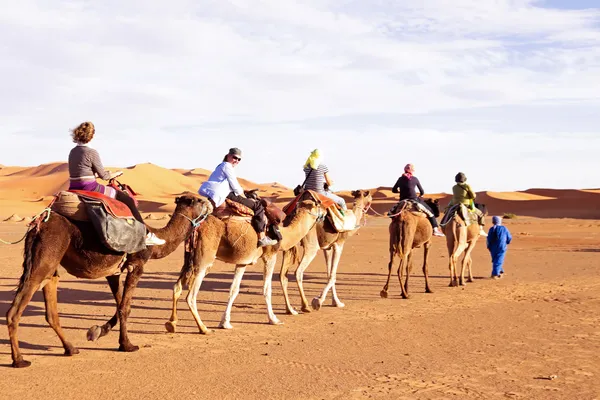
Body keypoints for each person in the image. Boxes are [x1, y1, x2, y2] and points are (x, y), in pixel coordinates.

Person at [67, 121, 165, 246]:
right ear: (91, 136)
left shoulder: (73, 151)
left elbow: (82, 172)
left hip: (74, 186)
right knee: (126, 199)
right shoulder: (92, 152)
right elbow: (104, 176)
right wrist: (116, 173)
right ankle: (146, 235)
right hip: (90, 187)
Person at [199, 147, 277, 247]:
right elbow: (235, 185)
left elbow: (229, 184)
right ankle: (262, 237)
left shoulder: (221, 166)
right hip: (222, 194)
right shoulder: (227, 166)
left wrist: (243, 190)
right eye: (235, 157)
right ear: (228, 156)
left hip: (216, 194)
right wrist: (245, 196)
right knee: (258, 206)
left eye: (239, 159)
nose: (236, 161)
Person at [391, 164, 444, 237]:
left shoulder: (400, 179)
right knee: (430, 212)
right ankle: (435, 229)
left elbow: (393, 190)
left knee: (392, 213)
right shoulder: (415, 179)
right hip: (414, 199)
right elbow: (422, 191)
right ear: (412, 171)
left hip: (402, 200)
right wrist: (420, 195)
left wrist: (400, 191)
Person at [448, 172, 487, 237]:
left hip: (455, 204)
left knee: (447, 212)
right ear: (464, 179)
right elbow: (473, 196)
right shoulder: (467, 186)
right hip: (466, 205)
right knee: (480, 214)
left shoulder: (454, 187)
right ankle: (481, 229)